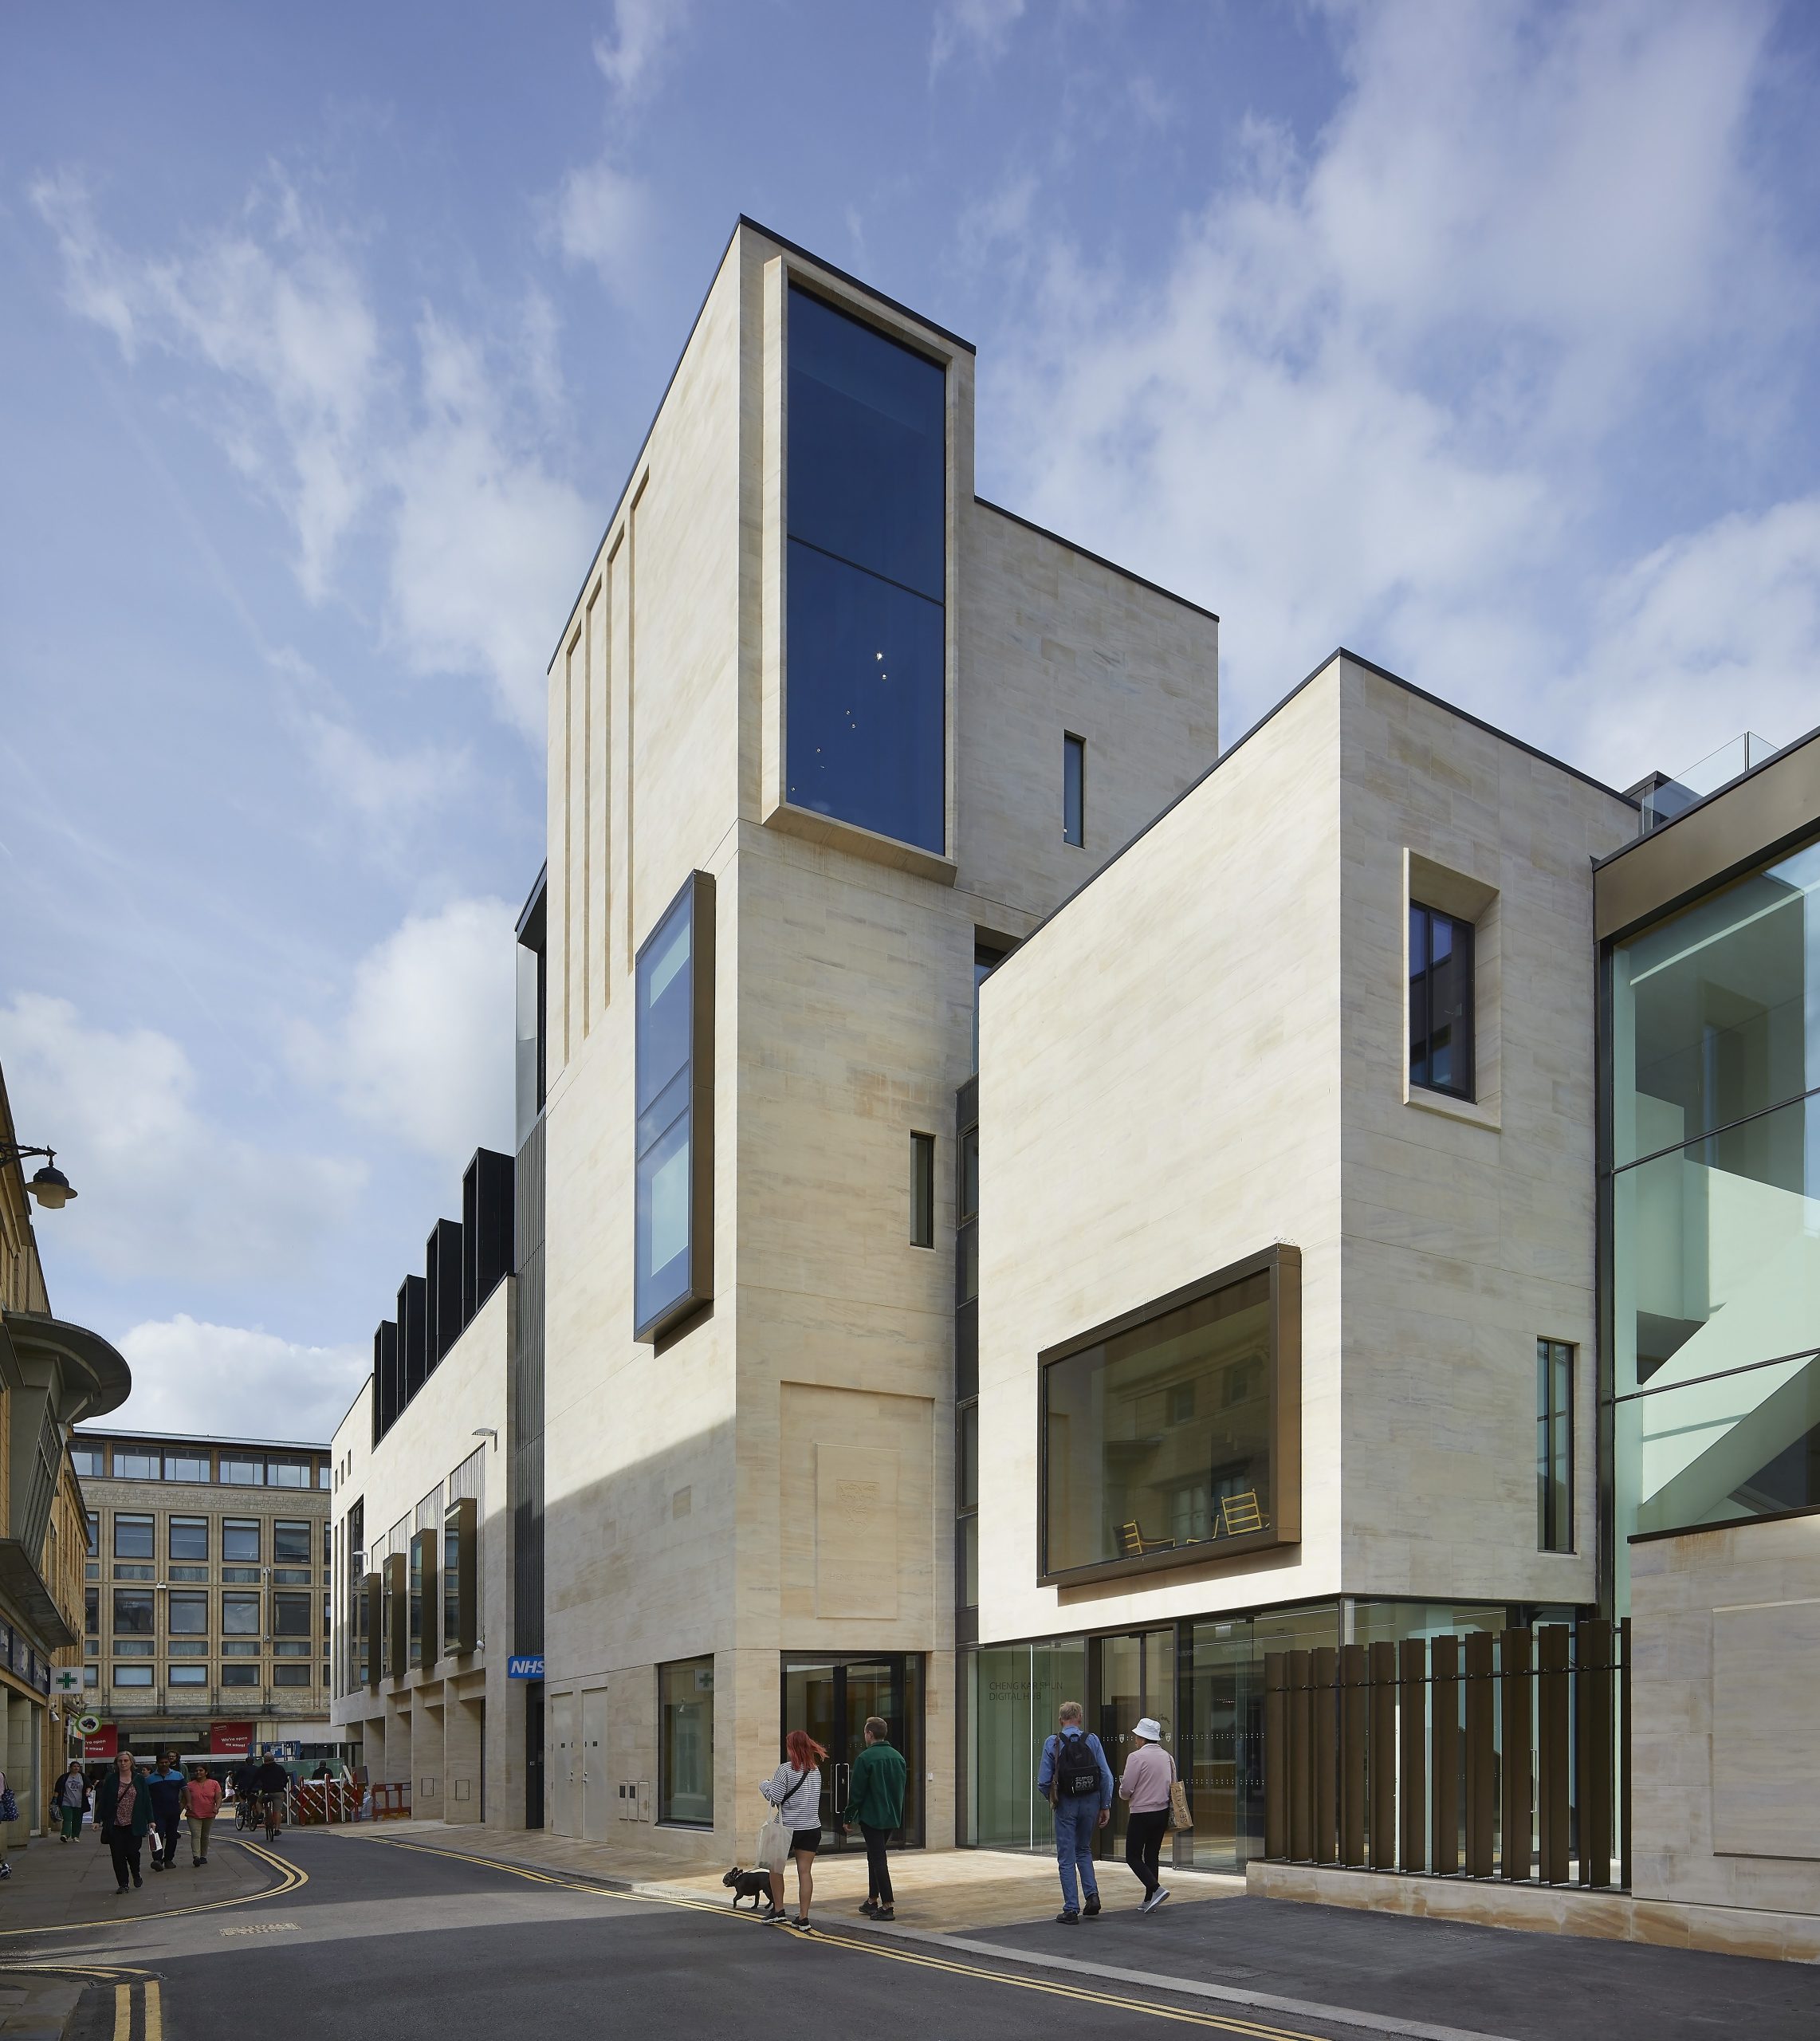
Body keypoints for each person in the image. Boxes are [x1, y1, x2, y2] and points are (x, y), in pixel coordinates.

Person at [1036, 1701, 1112, 1924]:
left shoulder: (1053, 1742)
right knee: (1083, 1849)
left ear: (1061, 1720)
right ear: (1079, 1717)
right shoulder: (1093, 1740)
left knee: (1066, 1856)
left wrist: (1053, 1799)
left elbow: (1043, 1781)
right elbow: (1106, 1775)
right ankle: (1092, 1896)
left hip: (1067, 1803)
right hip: (1091, 1801)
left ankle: (1071, 1909)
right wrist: (1104, 1805)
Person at [759, 1729, 826, 1932]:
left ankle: (778, 1910)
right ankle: (803, 1918)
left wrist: (764, 1785)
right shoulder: (815, 1770)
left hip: (787, 1827)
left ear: (791, 1748)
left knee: (775, 1868)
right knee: (805, 1872)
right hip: (811, 1827)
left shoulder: (785, 1770)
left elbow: (775, 1798)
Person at [842, 1716, 907, 1922]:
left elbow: (857, 1793)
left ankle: (887, 1906)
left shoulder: (865, 1758)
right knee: (874, 1856)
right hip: (891, 1816)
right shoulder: (898, 1757)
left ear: (869, 1734)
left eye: (865, 1733)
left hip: (872, 1816)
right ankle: (872, 1900)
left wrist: (848, 1816)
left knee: (878, 1859)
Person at [1118, 1716, 1175, 1913]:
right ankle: (1149, 1899)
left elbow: (1126, 1790)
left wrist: (1122, 1792)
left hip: (1141, 1813)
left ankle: (1155, 1889)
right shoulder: (1168, 1757)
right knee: (1152, 1855)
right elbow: (1173, 1784)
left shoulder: (1136, 1757)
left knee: (1132, 1856)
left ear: (1142, 1738)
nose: (1135, 1739)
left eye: (1136, 1736)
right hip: (1161, 1812)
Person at [94, 1752, 151, 1893]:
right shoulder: (112, 1779)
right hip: (115, 1824)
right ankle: (123, 1884)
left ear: (131, 1762)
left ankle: (136, 1873)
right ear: (116, 1763)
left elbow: (146, 1801)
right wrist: (97, 1820)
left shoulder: (139, 1779)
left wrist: (151, 1820)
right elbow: (104, 1801)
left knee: (133, 1853)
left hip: (134, 1823)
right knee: (117, 1855)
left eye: (126, 1761)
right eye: (120, 1761)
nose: (123, 1763)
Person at [146, 1751, 185, 1872]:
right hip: (157, 1812)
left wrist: (183, 1806)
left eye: (166, 1762)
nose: (164, 1764)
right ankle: (157, 1859)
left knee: (172, 1836)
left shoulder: (178, 1775)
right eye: (161, 1762)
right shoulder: (149, 1779)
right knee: (157, 1835)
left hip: (173, 1811)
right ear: (157, 1763)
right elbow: (145, 1798)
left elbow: (186, 1791)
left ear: (169, 1762)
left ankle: (168, 1859)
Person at [181, 1764, 222, 1866]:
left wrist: (217, 1807)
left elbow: (218, 1798)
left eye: (201, 1770)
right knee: (196, 1835)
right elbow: (184, 1800)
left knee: (205, 1835)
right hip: (193, 1814)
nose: (198, 1772)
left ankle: (203, 1856)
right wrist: (178, 1811)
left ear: (206, 1772)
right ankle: (196, 1856)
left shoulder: (214, 1784)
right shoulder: (189, 1785)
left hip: (209, 1813)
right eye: (196, 1771)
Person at [253, 1751, 291, 1828]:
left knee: (259, 1802)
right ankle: (277, 1829)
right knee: (278, 1811)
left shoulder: (261, 1769)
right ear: (273, 1759)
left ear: (264, 1760)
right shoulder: (280, 1768)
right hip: (279, 1792)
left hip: (266, 1791)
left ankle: (260, 1813)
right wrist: (281, 1787)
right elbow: (285, 1779)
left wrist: (250, 1789)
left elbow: (254, 1780)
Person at [57, 1763, 88, 1842]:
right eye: (74, 1766)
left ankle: (75, 1836)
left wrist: (88, 1792)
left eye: (78, 1766)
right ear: (70, 1768)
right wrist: (54, 1799)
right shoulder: (64, 1777)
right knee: (67, 1818)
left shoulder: (82, 1777)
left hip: (79, 1802)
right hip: (66, 1801)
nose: (76, 1768)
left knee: (77, 1820)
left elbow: (89, 1785)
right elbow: (57, 1789)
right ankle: (65, 1835)